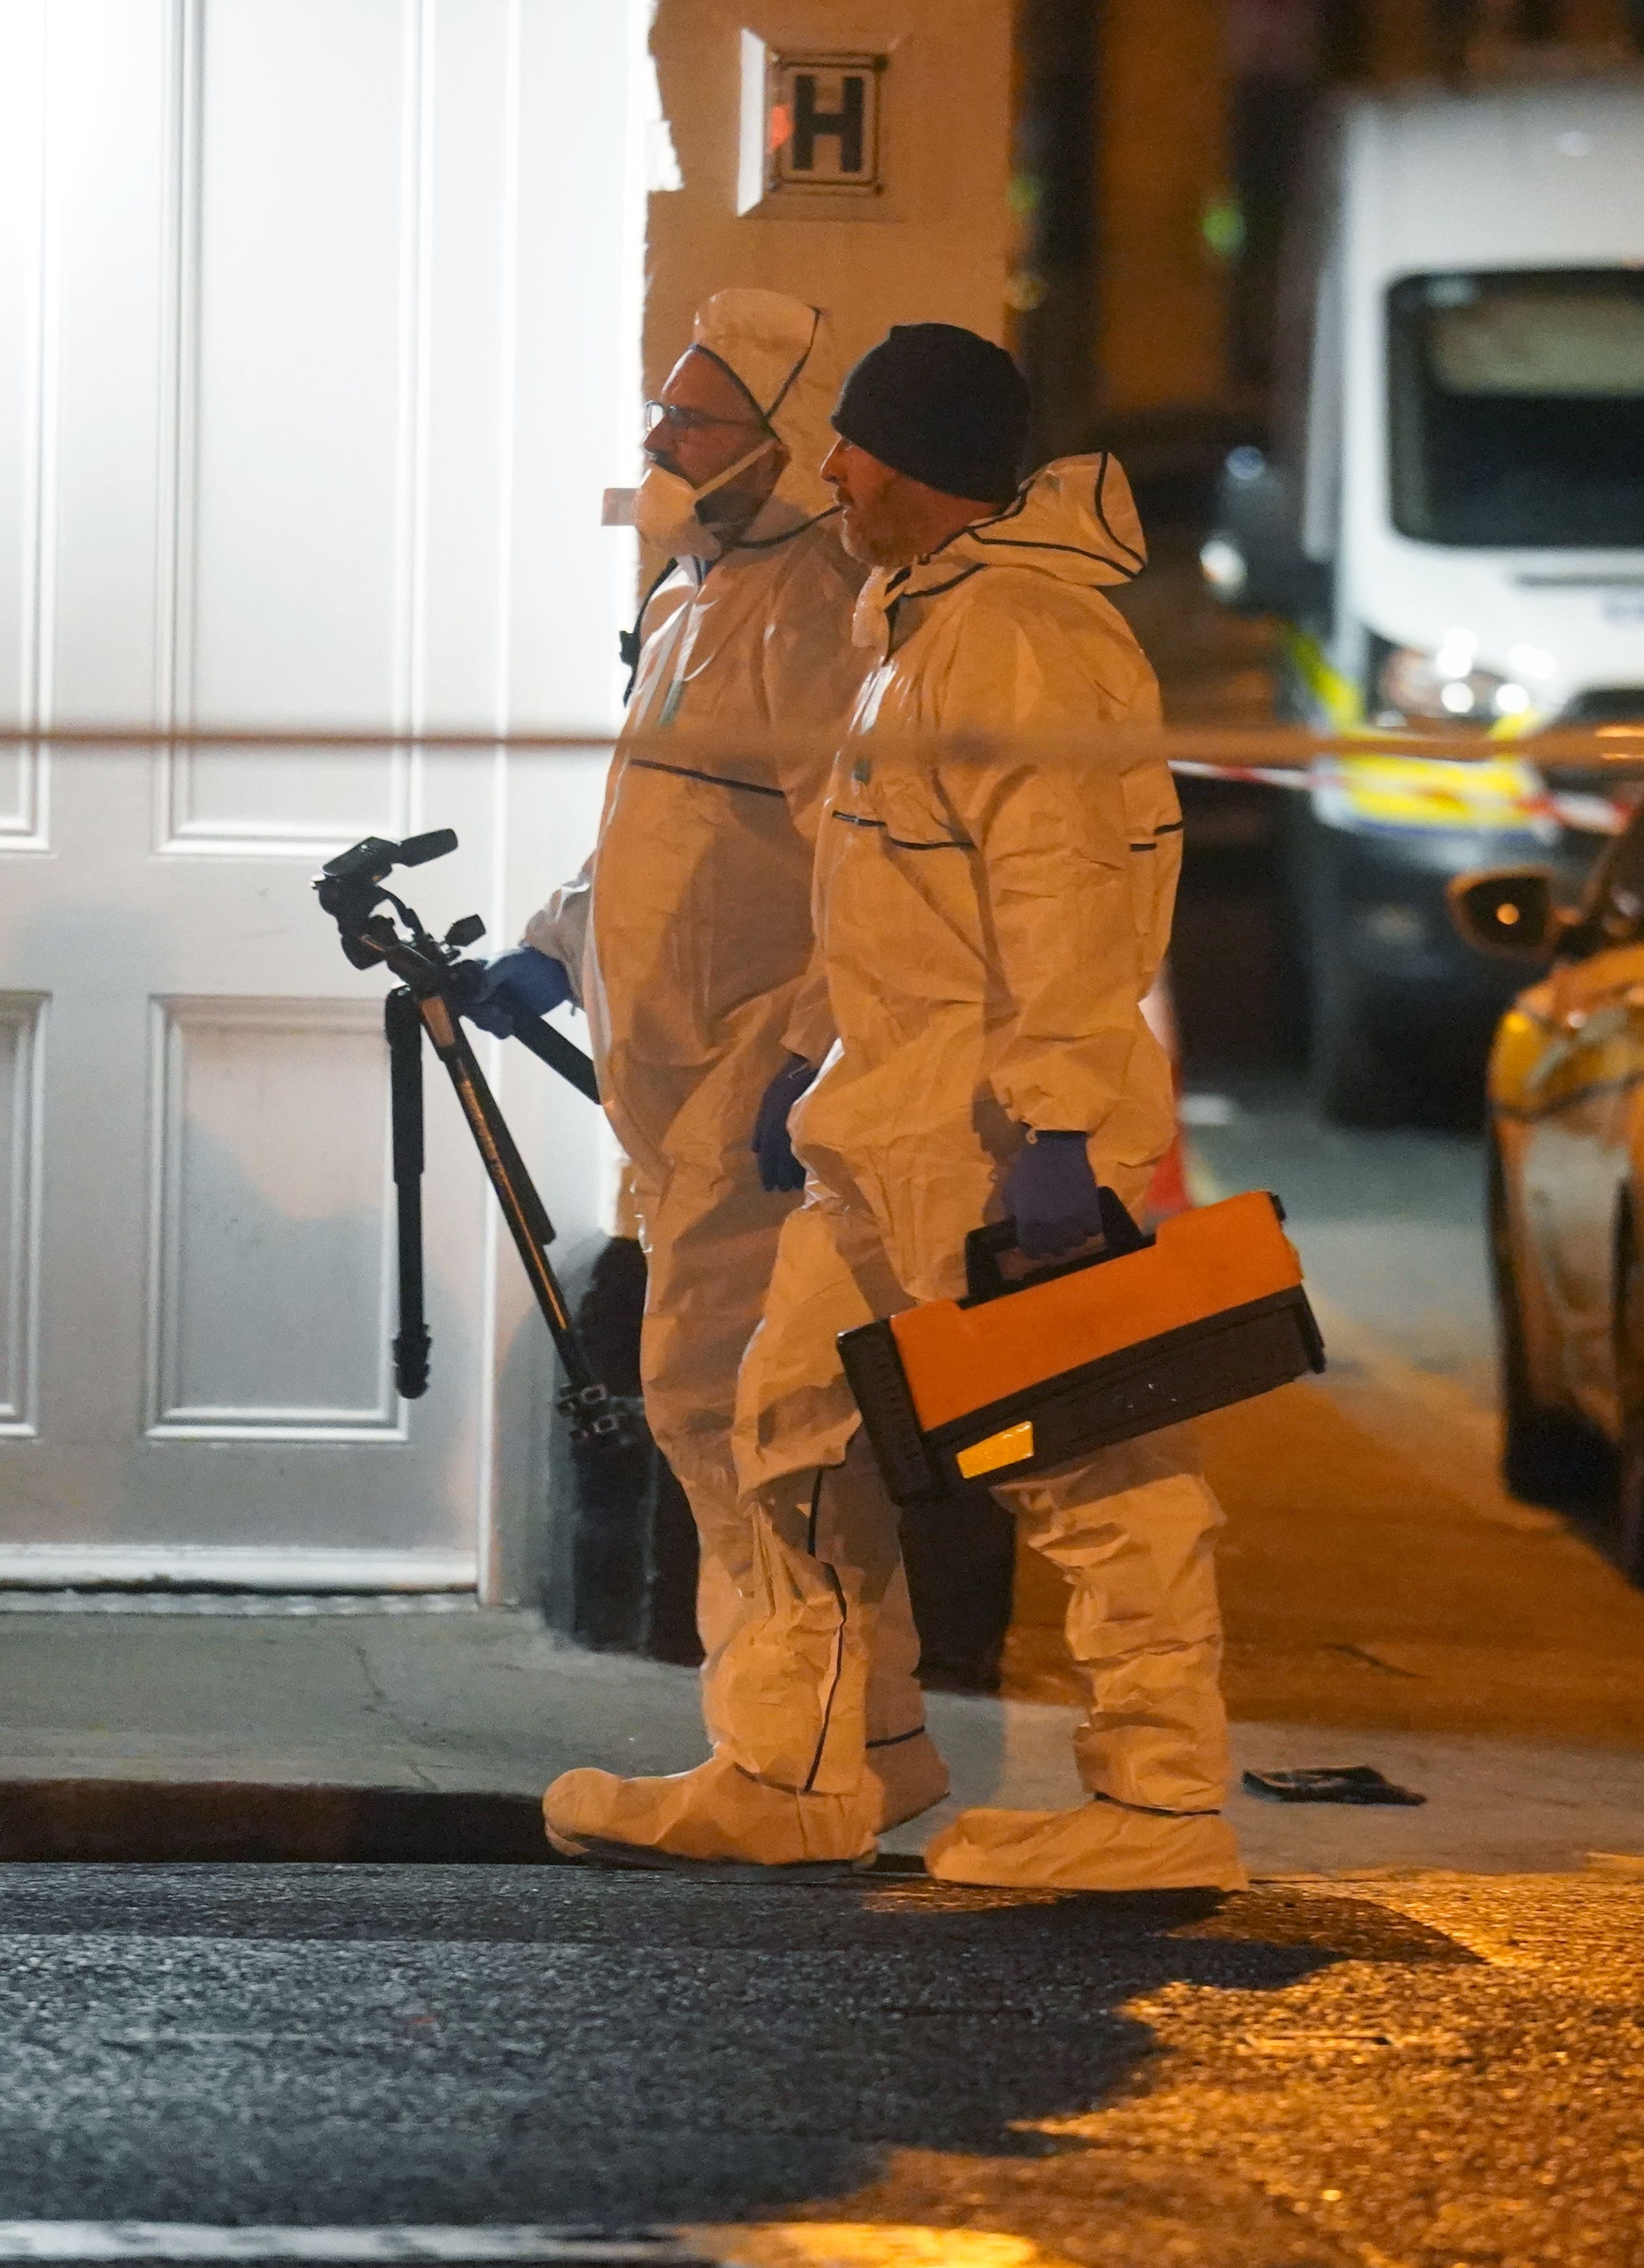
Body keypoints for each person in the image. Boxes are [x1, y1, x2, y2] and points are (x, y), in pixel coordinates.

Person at [547, 323, 1242, 1893]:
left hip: (998, 1142)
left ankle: (1160, 1802)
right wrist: (829, 1057)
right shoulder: (923, 624)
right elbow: (905, 894)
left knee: (1091, 1465)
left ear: (917, 462)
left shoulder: (1020, 641)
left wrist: (1064, 1131)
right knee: (779, 1427)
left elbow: (1067, 899)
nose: (835, 469)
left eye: (857, 446)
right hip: (890, 1126)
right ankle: (800, 1765)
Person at [468, 290, 949, 1845]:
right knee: (770, 1413)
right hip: (682, 1080)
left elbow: (851, 865)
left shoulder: (815, 602)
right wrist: (559, 937)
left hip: (753, 1083)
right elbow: (660, 820)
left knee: (721, 1400)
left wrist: (801, 1058)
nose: (660, 437)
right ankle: (869, 1726)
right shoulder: (701, 586)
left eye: (693, 414)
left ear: (787, 437)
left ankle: (781, 1765)